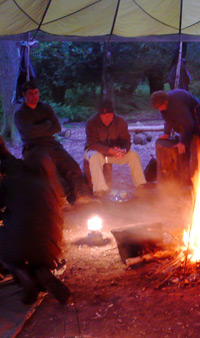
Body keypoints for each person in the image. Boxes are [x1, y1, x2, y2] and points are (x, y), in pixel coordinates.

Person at [0, 153, 70, 304]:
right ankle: (40, 272)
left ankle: (25, 278)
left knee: (8, 254)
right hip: (50, 242)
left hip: (19, 241)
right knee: (37, 256)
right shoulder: (45, 183)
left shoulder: (8, 183)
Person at [14, 81, 92, 204]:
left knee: (71, 165)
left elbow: (57, 128)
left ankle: (82, 194)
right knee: (49, 169)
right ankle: (61, 198)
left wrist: (39, 127)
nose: (34, 96)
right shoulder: (20, 114)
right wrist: (46, 124)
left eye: (36, 93)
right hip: (33, 147)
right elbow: (31, 133)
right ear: (24, 95)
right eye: (31, 94)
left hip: (51, 144)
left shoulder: (46, 108)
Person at [85, 99, 148, 197]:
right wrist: (109, 150)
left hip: (115, 153)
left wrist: (123, 150)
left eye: (109, 116)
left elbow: (126, 140)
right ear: (99, 115)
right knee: (94, 156)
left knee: (133, 155)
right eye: (104, 116)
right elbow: (92, 144)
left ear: (113, 114)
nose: (107, 119)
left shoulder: (120, 122)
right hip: (98, 153)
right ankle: (99, 190)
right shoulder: (92, 123)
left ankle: (140, 186)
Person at [150, 89, 200, 177]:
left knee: (195, 152)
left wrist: (183, 142)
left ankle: (195, 179)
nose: (160, 109)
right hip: (187, 123)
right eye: (158, 108)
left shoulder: (178, 104)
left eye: (160, 106)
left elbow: (189, 125)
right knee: (183, 151)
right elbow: (168, 119)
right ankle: (184, 177)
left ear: (166, 101)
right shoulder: (165, 104)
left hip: (199, 123)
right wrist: (167, 133)